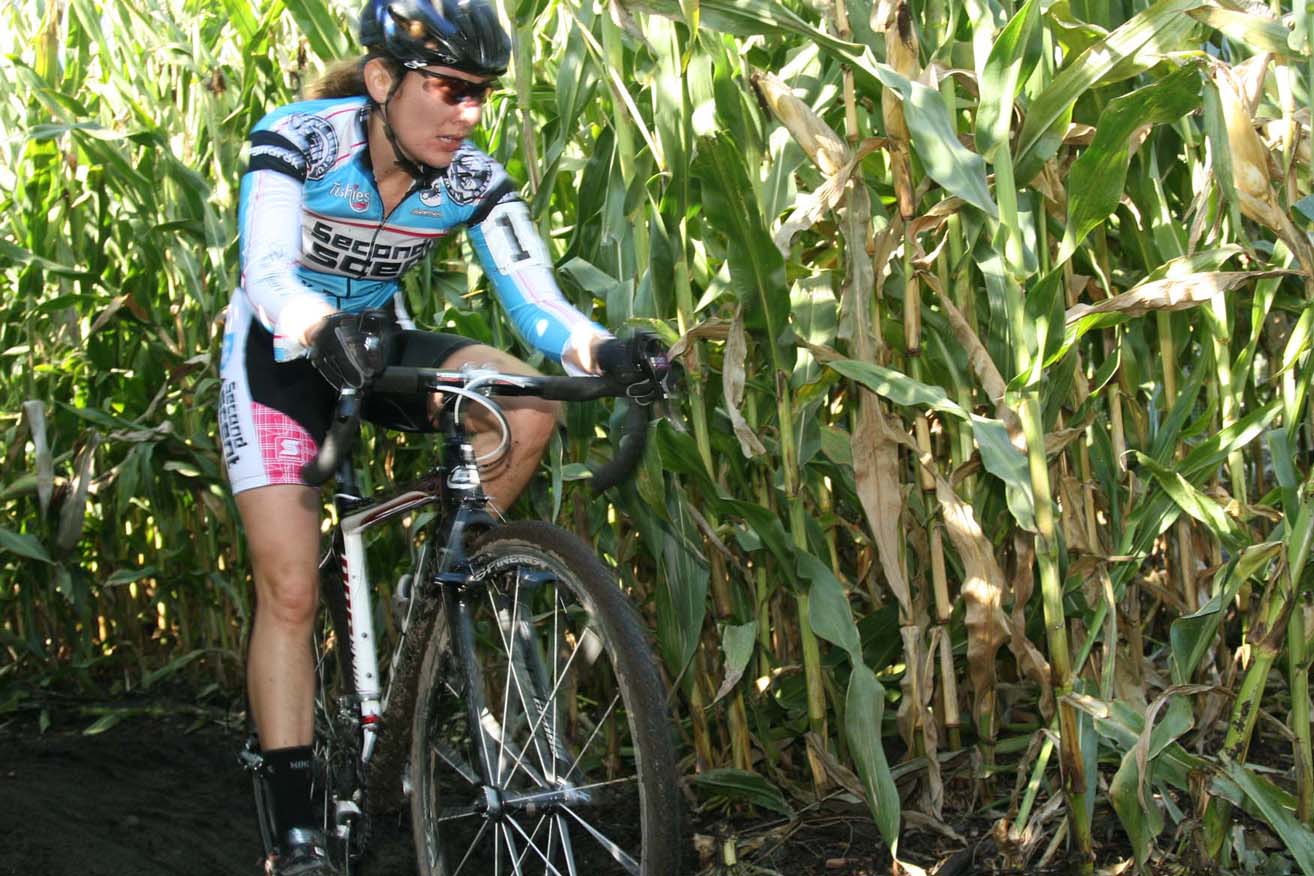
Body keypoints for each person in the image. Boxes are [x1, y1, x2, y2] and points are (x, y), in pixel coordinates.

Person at [216, 1, 663, 872]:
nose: (468, 114)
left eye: (482, 95)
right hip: (280, 350)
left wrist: (606, 349)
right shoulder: (300, 139)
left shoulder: (470, 177)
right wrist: (315, 326)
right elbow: (267, 270)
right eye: (450, 89)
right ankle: (297, 830)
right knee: (292, 591)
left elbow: (537, 301)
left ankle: (443, 587)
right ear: (383, 80)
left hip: (376, 342)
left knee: (526, 404)